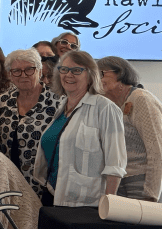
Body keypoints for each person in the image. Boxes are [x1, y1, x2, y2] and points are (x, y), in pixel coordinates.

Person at [32, 50, 127, 207]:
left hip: (86, 204)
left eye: (77, 70)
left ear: (90, 76)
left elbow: (115, 164)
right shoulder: (62, 106)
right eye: (64, 69)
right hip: (52, 196)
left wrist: (108, 207)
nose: (69, 75)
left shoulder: (105, 108)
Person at [97, 56, 162, 203]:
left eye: (102, 73)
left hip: (144, 180)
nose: (97, 79)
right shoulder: (112, 105)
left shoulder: (141, 99)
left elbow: (158, 151)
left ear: (120, 74)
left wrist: (151, 195)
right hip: (122, 179)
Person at [0, 49, 60, 199]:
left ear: (40, 72)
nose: (23, 75)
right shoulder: (2, 101)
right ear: (9, 75)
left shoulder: (57, 103)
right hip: (6, 181)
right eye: (16, 71)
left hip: (43, 185)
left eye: (29, 69)